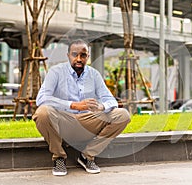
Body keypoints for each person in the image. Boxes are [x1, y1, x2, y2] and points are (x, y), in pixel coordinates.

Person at [32, 39, 130, 176]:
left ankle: (87, 156)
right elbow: (41, 99)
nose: (79, 59)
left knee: (122, 115)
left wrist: (101, 106)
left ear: (88, 57)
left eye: (83, 55)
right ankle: (59, 157)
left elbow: (110, 100)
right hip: (63, 121)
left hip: (88, 121)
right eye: (74, 54)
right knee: (42, 112)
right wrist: (74, 105)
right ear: (68, 56)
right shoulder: (56, 72)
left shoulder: (94, 74)